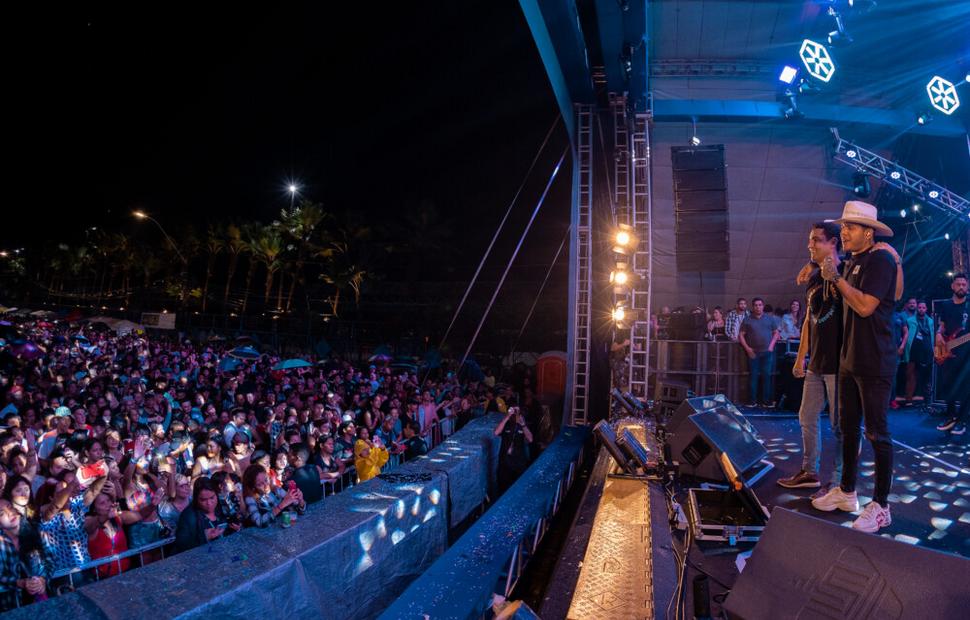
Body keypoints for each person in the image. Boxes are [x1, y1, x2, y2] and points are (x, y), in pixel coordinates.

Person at [812, 201, 899, 533]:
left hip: (875, 361)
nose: (843, 232)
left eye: (849, 227)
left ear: (868, 232)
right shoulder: (855, 261)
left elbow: (864, 306)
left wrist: (837, 278)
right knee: (848, 429)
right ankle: (847, 492)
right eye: (843, 227)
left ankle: (881, 506)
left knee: (877, 433)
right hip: (850, 359)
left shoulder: (880, 259)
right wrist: (831, 276)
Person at [778, 222, 844, 495]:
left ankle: (842, 482)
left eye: (817, 240)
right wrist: (800, 357)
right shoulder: (814, 279)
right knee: (807, 416)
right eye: (810, 240)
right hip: (817, 363)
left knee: (842, 426)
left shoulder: (846, 272)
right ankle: (810, 472)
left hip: (841, 364)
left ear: (834, 243)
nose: (810, 245)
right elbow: (809, 321)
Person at [934, 273, 969, 434]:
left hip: (966, 353)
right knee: (948, 386)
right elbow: (942, 326)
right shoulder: (946, 305)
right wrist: (939, 334)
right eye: (958, 284)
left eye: (964, 284)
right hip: (947, 351)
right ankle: (951, 417)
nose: (961, 286)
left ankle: (962, 421)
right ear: (952, 286)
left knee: (965, 388)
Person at [0, 499, 47, 612]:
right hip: (10, 609)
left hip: (44, 604)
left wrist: (43, 579)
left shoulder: (37, 531)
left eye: (10, 507)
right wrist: (20, 583)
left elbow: (51, 562)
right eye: (1, 513)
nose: (10, 513)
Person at [174, 477, 239, 552]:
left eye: (212, 498)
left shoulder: (222, 507)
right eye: (203, 500)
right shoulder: (188, 516)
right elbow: (181, 545)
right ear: (196, 499)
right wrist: (204, 537)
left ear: (216, 494)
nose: (209, 503)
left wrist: (235, 529)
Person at [739, 298, 780, 407]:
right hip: (753, 353)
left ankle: (766, 402)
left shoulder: (770, 319)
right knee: (753, 377)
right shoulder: (747, 319)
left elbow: (776, 333)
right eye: (756, 305)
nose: (758, 307)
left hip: (767, 353)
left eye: (760, 305)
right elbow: (741, 335)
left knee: (766, 377)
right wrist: (747, 349)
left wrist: (771, 346)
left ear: (763, 306)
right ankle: (753, 401)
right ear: (753, 307)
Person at [494, 406, 533, 493]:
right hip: (505, 462)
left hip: (518, 463)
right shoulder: (507, 424)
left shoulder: (523, 426)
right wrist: (507, 417)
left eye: (517, 412)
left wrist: (523, 424)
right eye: (513, 411)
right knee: (503, 488)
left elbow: (530, 439)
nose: (515, 414)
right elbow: (496, 432)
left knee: (517, 488)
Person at [904, 301, 934, 406]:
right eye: (920, 307)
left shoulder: (930, 321)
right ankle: (908, 400)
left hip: (927, 350)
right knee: (910, 375)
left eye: (923, 307)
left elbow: (933, 335)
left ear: (926, 309)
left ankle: (928, 401)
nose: (921, 309)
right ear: (917, 308)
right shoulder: (910, 320)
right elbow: (906, 335)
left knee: (927, 376)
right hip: (913, 349)